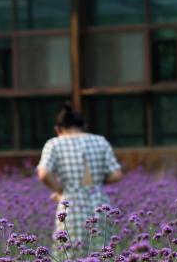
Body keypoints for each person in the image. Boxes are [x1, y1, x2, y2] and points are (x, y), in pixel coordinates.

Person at [36, 103, 123, 251]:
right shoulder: (100, 141)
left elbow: (44, 173)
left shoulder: (54, 144)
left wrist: (58, 190)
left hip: (71, 203)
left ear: (58, 130)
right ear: (84, 127)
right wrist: (96, 182)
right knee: (101, 251)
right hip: (100, 201)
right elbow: (116, 174)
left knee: (71, 252)